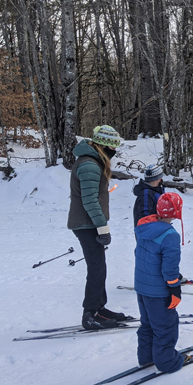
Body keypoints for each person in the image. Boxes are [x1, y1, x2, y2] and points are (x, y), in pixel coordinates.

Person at [67, 125, 128, 330]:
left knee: (99, 267)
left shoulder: (91, 161)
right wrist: (103, 228)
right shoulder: (89, 165)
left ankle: (99, 308)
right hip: (87, 224)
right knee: (96, 269)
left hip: (89, 223)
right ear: (104, 146)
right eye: (112, 148)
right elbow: (90, 201)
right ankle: (90, 313)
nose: (114, 153)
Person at [134, 192, 192, 372]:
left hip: (142, 286)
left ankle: (146, 356)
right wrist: (174, 287)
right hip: (158, 291)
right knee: (165, 325)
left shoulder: (145, 226)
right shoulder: (170, 235)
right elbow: (169, 268)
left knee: (148, 323)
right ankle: (167, 361)